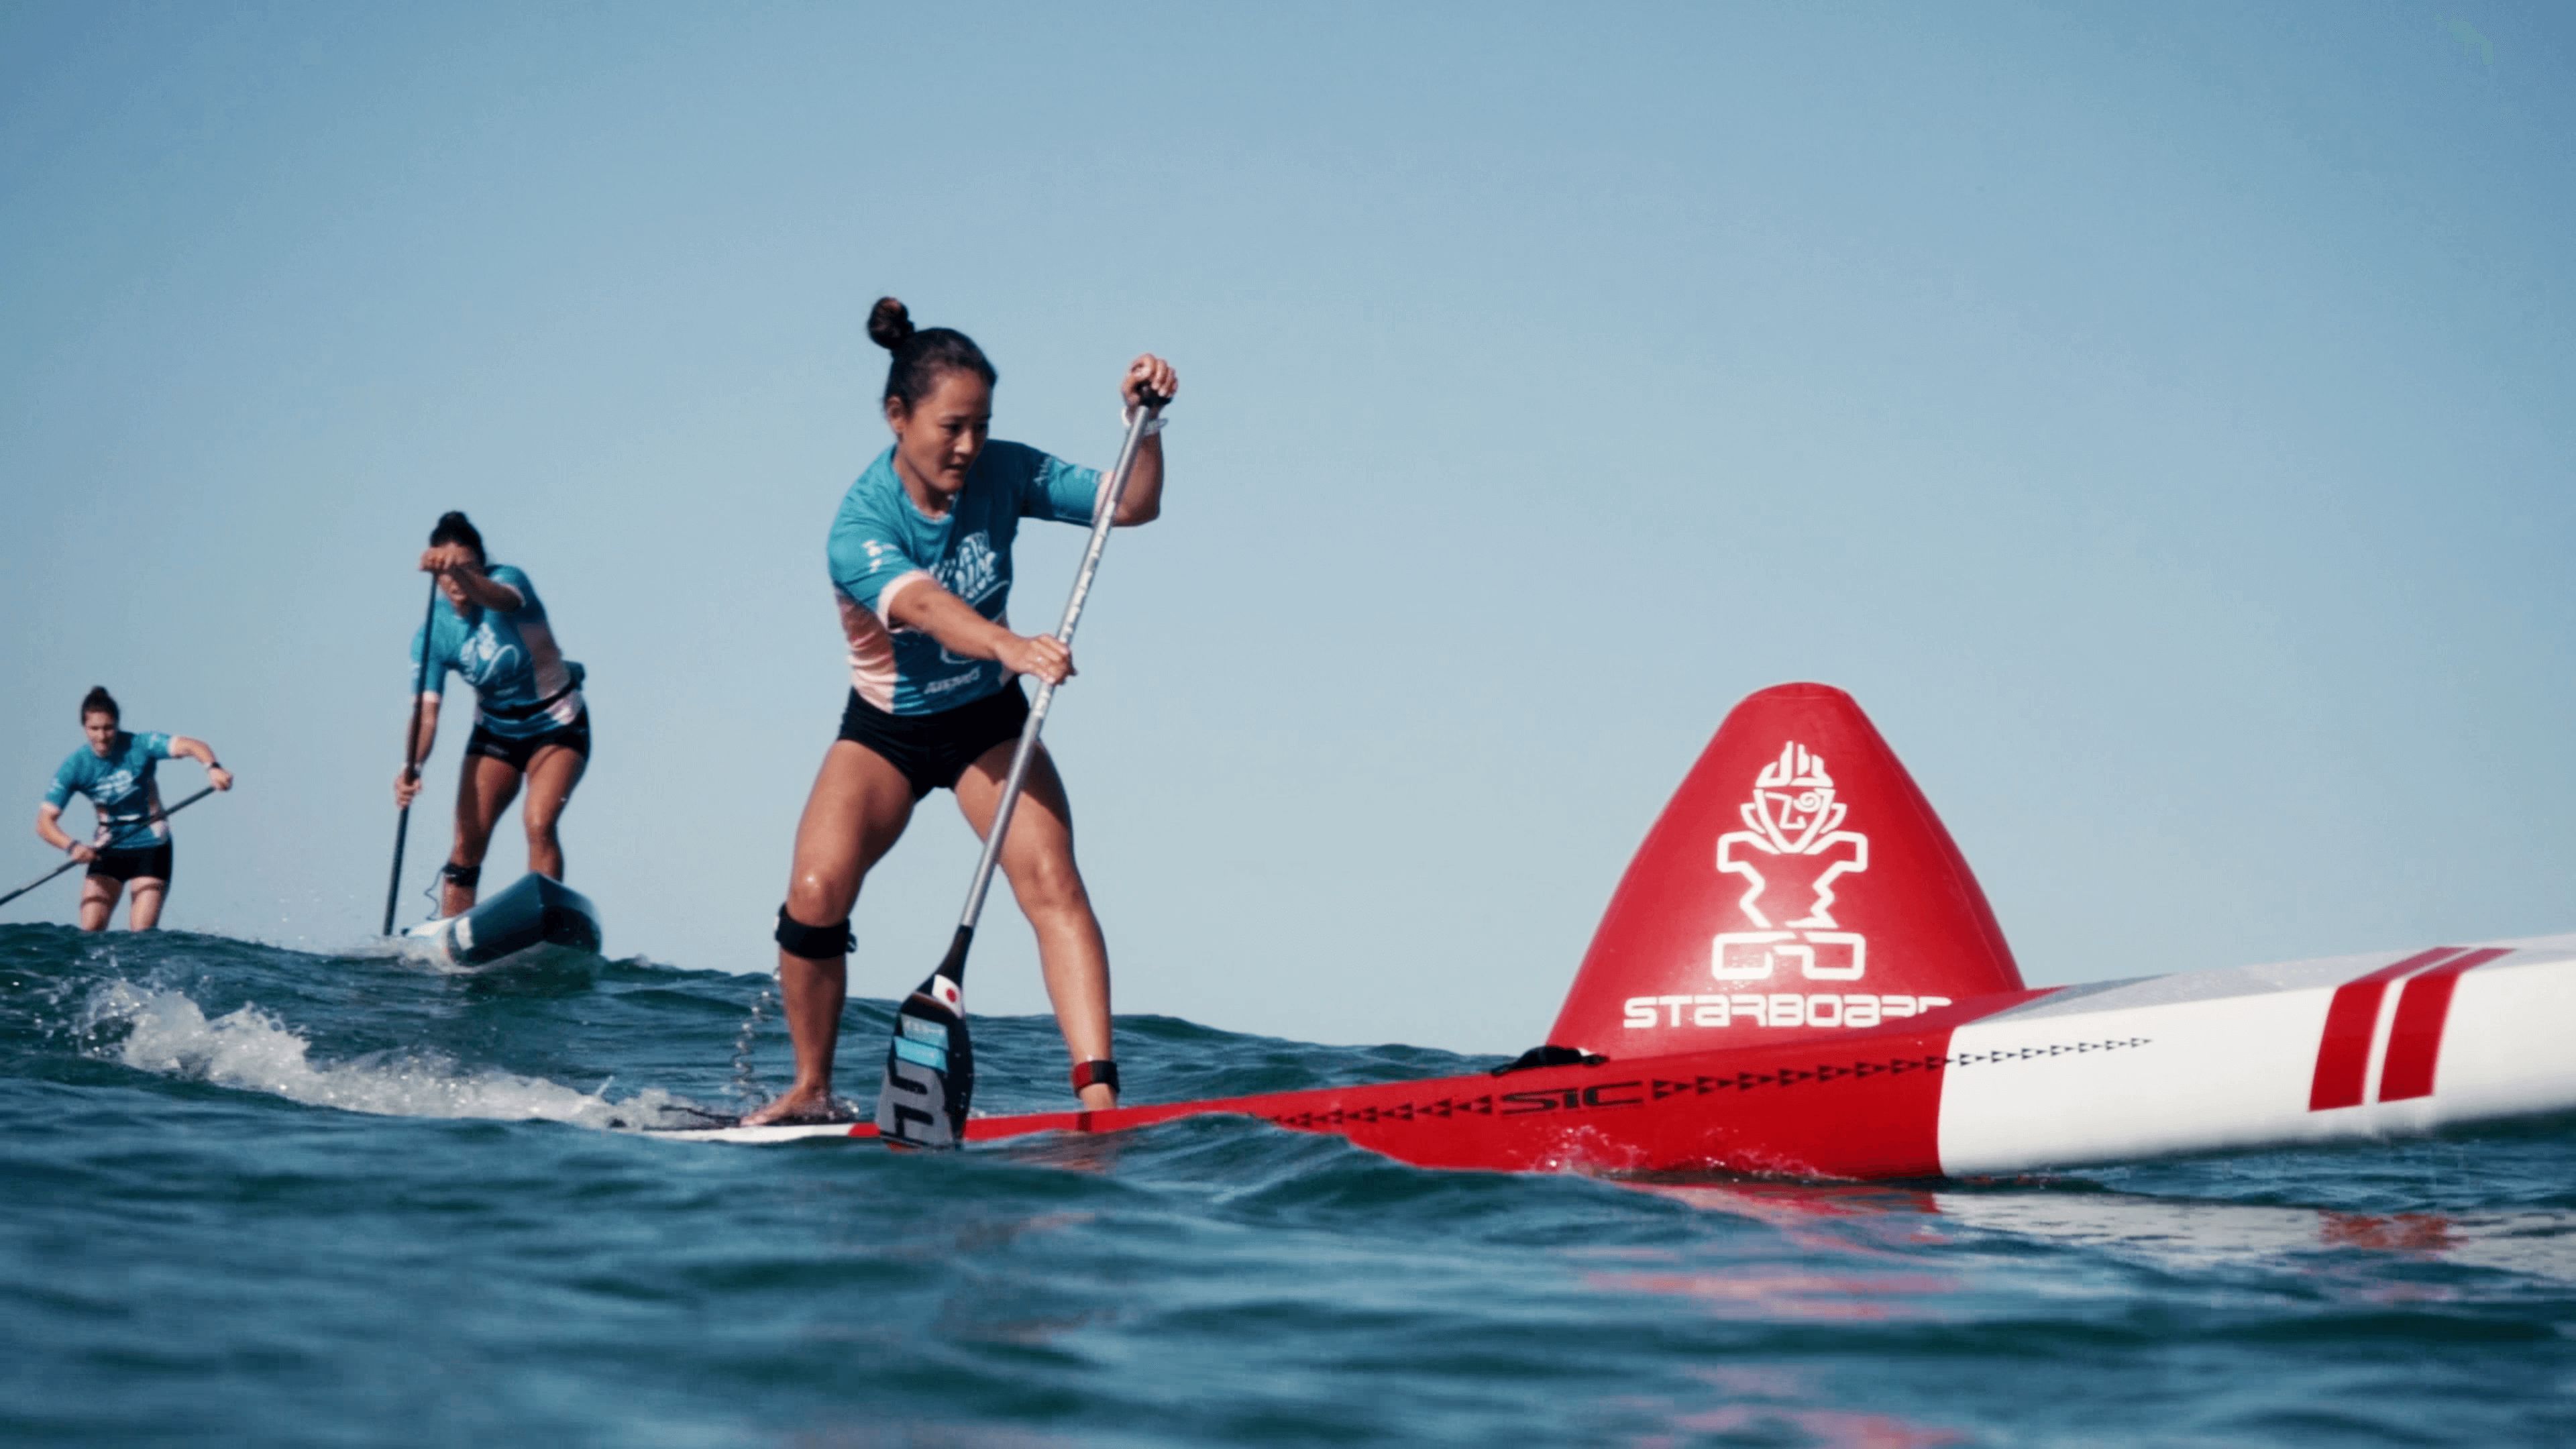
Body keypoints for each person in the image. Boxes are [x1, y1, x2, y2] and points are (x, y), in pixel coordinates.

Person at [745, 297, 1178, 1126]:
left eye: (981, 425)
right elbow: (926, 608)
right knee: (814, 891)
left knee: (1053, 882)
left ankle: (1099, 1102)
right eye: (952, 427)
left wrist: (1144, 427)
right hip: (889, 730)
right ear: (898, 417)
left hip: (988, 721)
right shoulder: (859, 524)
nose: (969, 445)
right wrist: (1011, 646)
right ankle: (809, 1087)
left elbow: (1130, 506)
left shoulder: (1002, 471)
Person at [393, 511, 590, 920]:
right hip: (496, 735)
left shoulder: (510, 582)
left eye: (465, 568)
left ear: (482, 566)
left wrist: (463, 575)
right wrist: (412, 766)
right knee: (466, 845)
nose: (454, 581)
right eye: (446, 573)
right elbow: (427, 716)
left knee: (538, 822)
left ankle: (543, 924)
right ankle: (453, 941)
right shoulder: (433, 633)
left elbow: (498, 598)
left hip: (558, 726)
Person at [35, 686, 232, 931]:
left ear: (117, 724)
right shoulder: (76, 766)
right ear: (84, 728)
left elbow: (192, 745)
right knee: (90, 931)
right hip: (108, 850)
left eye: (108, 728)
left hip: (151, 848)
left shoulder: (140, 745)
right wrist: (72, 846)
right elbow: (44, 823)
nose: (102, 736)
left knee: (141, 936)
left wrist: (212, 767)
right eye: (94, 729)